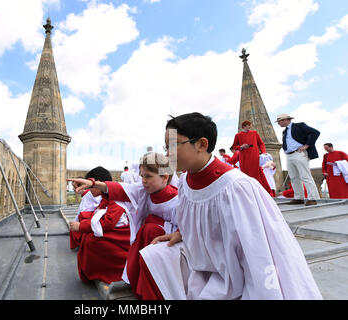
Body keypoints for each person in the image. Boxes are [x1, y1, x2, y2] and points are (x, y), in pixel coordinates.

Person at [138, 112, 322, 300]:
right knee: (153, 256)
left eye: (174, 145)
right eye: (167, 147)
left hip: (233, 278)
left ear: (202, 144)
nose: (168, 153)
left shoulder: (235, 187)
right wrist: (181, 233)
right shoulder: (185, 181)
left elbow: (256, 251)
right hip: (201, 266)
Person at [68, 152, 178, 300]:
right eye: (142, 176)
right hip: (148, 241)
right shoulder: (143, 191)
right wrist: (92, 184)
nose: (143, 181)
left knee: (151, 228)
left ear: (165, 177)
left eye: (148, 176)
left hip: (171, 248)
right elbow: (119, 188)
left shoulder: (179, 200)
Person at [68, 166, 130, 284]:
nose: (90, 190)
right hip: (111, 232)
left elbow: (108, 222)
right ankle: (92, 271)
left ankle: (103, 272)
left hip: (121, 239)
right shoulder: (104, 198)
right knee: (88, 237)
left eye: (91, 186)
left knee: (91, 240)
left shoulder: (116, 200)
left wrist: (81, 226)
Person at [276, 114, 320, 206]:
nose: (278, 123)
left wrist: (307, 145)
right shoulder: (284, 132)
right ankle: (299, 198)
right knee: (294, 177)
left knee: (305, 176)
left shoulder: (299, 126)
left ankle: (313, 198)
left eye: (279, 121)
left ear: (285, 120)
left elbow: (315, 132)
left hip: (299, 153)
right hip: (289, 155)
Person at [231, 120, 272, 195]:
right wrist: (241, 147)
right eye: (248, 125)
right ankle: (248, 193)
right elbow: (234, 146)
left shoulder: (254, 133)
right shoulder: (238, 135)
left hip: (254, 157)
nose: (250, 127)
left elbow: (261, 144)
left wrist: (264, 152)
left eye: (250, 125)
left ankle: (261, 192)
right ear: (244, 126)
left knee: (257, 174)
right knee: (246, 175)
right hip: (244, 158)